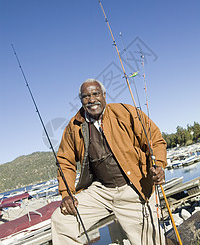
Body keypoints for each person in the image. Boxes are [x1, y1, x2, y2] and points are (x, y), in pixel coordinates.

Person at [51, 78, 167, 244]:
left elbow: (154, 140)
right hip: (101, 191)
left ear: (104, 96)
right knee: (61, 219)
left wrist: (159, 165)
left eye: (95, 94)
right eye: (86, 96)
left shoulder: (125, 112)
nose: (91, 99)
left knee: (151, 241)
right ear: (81, 100)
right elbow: (65, 162)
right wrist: (66, 194)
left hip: (133, 188)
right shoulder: (74, 126)